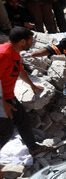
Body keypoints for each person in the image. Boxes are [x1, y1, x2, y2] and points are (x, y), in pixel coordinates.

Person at [0, 27, 47, 155]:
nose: (32, 43)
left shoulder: (15, 52)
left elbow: (20, 71)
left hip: (8, 96)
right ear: (22, 41)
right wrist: (3, 103)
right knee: (6, 131)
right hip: (2, 98)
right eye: (30, 40)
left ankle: (33, 148)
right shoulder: (3, 54)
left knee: (22, 119)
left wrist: (32, 85)